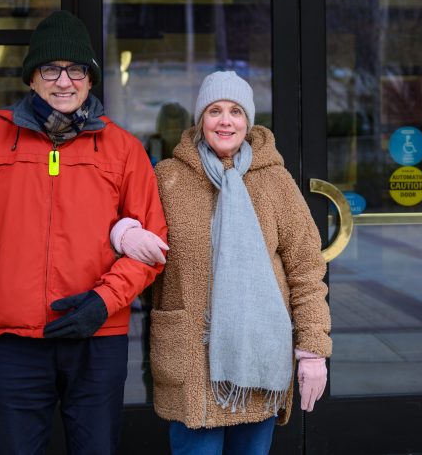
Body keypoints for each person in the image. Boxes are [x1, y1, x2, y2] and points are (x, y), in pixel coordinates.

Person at [0, 9, 168, 455]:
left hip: (97, 339)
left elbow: (151, 243)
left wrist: (104, 301)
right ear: (32, 78)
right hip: (15, 344)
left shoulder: (122, 148)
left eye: (76, 69)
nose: (65, 81)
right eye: (51, 69)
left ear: (91, 79)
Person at [110, 70, 331, 454]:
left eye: (235, 111)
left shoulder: (275, 182)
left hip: (257, 361)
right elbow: (121, 220)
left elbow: (307, 269)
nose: (225, 120)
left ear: (248, 121)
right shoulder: (167, 178)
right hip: (192, 361)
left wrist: (313, 350)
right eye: (215, 111)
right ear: (201, 120)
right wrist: (124, 233)